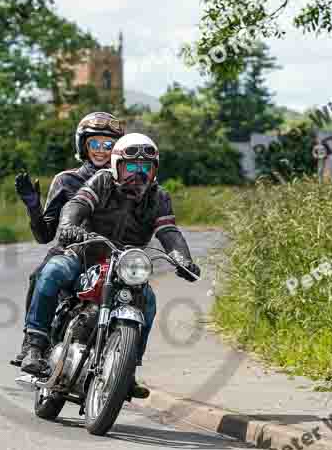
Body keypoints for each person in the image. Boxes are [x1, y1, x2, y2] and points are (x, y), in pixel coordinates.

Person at [20, 133, 201, 399]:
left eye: (145, 168)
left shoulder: (159, 196)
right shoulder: (103, 181)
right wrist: (69, 226)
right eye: (131, 167)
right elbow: (77, 203)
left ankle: (127, 371)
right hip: (84, 253)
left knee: (147, 301)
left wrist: (182, 258)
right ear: (116, 165)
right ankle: (35, 344)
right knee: (52, 271)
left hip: (125, 265)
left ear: (154, 170)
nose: (137, 174)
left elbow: (169, 231)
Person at [11, 111, 125, 365]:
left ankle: (124, 367)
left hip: (111, 258)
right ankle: (33, 345)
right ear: (83, 145)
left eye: (109, 145)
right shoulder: (66, 180)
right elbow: (44, 235)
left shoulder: (125, 183)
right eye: (95, 143)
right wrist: (33, 206)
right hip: (71, 251)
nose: (101, 150)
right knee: (42, 275)